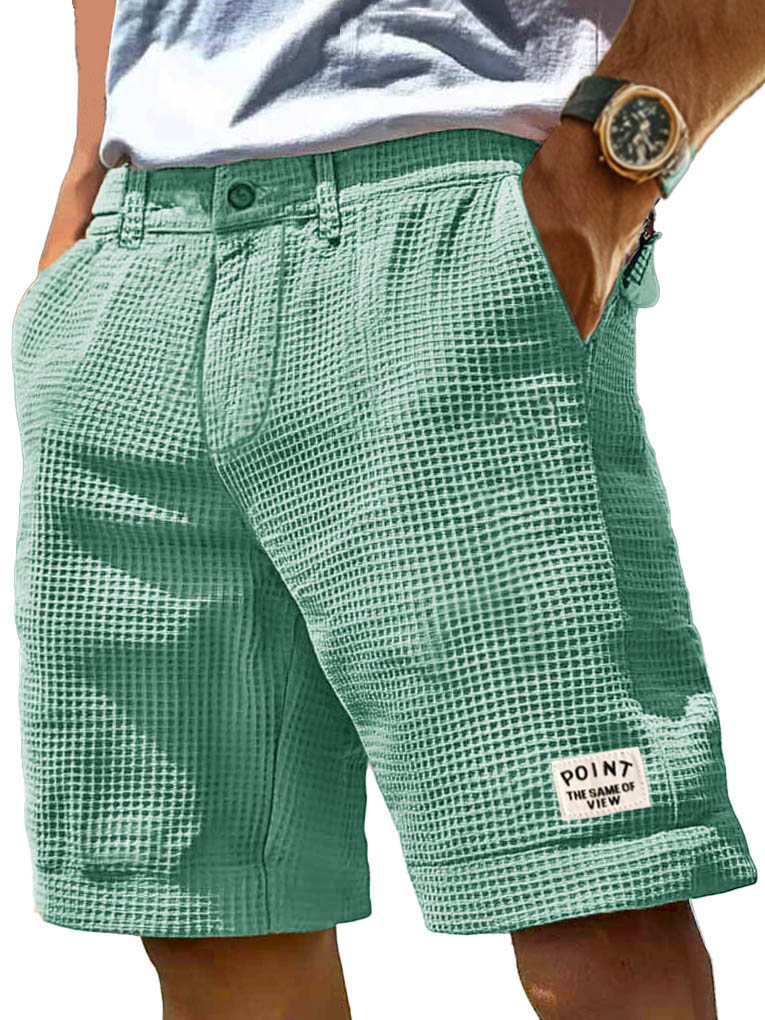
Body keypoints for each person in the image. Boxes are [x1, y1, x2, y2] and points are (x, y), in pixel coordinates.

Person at [10, 2, 763, 1017]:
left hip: (437, 244)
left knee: (590, 897)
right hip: (138, 266)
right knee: (214, 926)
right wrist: (82, 188)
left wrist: (602, 176)